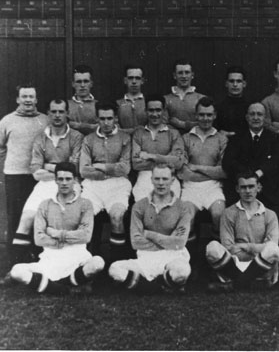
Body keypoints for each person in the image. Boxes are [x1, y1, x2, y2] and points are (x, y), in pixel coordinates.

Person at [9, 162, 105, 294]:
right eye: (60, 179)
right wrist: (71, 236)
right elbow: (39, 239)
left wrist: (53, 233)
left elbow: (86, 236)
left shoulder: (85, 205)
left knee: (98, 263)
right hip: (50, 260)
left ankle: (55, 284)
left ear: (75, 181)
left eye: (68, 179)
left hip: (77, 258)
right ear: (55, 181)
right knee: (17, 271)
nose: (64, 183)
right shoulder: (44, 205)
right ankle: (64, 289)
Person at [10, 99, 83, 268]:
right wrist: (58, 168)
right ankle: (17, 266)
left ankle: (70, 267)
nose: (57, 115)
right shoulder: (41, 138)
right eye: (54, 112)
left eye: (61, 111)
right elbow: (36, 172)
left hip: (70, 184)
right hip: (45, 184)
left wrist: (48, 166)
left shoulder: (77, 137)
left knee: (66, 222)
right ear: (48, 114)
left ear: (67, 114)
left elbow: (74, 168)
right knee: (27, 217)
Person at [108, 164, 191, 293]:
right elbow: (136, 242)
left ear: (172, 181)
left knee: (182, 271)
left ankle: (141, 285)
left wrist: (148, 234)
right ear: (151, 180)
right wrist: (169, 239)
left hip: (173, 258)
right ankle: (160, 285)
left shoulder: (183, 207)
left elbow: (179, 243)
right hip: (146, 259)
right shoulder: (139, 206)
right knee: (114, 269)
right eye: (157, 179)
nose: (161, 183)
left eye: (165, 179)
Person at [0, 84, 48, 271]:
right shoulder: (7, 121)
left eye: (31, 97)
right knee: (16, 217)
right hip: (15, 176)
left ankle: (38, 260)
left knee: (38, 216)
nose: (28, 100)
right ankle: (15, 263)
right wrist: (9, 164)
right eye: (24, 96)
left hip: (39, 177)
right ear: (18, 99)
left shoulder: (45, 120)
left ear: (36, 100)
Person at [206, 171, 279, 292]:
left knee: (273, 249)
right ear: (237, 189)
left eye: (251, 186)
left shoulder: (270, 215)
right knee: (212, 247)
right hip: (234, 265)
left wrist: (245, 246)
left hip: (260, 266)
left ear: (259, 187)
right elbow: (228, 247)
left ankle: (236, 284)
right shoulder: (228, 213)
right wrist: (256, 249)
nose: (247, 191)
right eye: (243, 187)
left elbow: (271, 247)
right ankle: (249, 283)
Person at [80, 102, 132, 263]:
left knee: (117, 216)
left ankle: (116, 262)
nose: (106, 122)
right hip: (93, 185)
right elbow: (84, 170)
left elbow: (124, 169)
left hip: (118, 184)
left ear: (116, 118)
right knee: (86, 216)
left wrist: (100, 166)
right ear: (97, 119)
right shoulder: (88, 139)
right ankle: (90, 262)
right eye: (102, 118)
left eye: (110, 118)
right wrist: (107, 172)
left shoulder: (125, 138)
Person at [222, 102, 279, 221]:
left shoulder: (275, 138)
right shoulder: (236, 138)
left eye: (259, 114)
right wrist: (248, 175)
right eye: (252, 114)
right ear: (247, 117)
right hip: (243, 187)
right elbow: (228, 162)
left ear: (265, 118)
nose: (256, 118)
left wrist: (259, 173)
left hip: (267, 187)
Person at [179, 97, 227, 241]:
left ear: (215, 115)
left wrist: (197, 167)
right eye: (202, 114)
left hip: (213, 188)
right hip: (190, 188)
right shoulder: (185, 138)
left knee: (219, 214)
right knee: (187, 217)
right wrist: (212, 172)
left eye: (209, 115)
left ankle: (216, 254)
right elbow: (183, 173)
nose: (205, 118)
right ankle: (190, 259)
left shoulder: (221, 138)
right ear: (196, 115)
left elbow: (223, 171)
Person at [131, 94, 185, 201]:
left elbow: (178, 162)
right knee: (145, 206)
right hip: (145, 177)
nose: (155, 114)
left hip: (167, 174)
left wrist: (149, 156)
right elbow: (136, 164)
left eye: (158, 110)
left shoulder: (173, 133)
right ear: (146, 111)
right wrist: (167, 158)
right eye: (151, 110)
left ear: (164, 111)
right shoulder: (138, 134)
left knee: (169, 207)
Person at [164, 58, 205, 134]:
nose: (184, 76)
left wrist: (182, 124)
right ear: (174, 75)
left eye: (187, 72)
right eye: (180, 73)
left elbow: (205, 123)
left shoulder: (201, 98)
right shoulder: (166, 99)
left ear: (192, 75)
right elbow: (163, 125)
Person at [215, 65, 249, 138]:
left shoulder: (250, 107)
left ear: (244, 84)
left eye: (238, 81)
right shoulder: (218, 107)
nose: (235, 85)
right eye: (231, 81)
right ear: (226, 84)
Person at [68, 64, 99, 135]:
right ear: (73, 84)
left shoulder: (98, 105)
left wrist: (75, 125)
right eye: (79, 81)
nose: (82, 85)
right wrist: (91, 126)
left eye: (86, 81)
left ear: (91, 83)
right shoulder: (66, 105)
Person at [116, 64, 147, 134]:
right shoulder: (118, 103)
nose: (134, 81)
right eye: (130, 78)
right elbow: (115, 128)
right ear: (125, 80)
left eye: (137, 78)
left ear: (142, 81)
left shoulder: (148, 103)